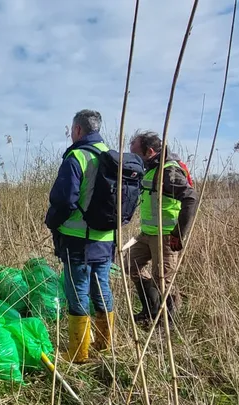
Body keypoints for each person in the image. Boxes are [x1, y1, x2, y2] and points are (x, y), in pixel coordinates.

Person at [45, 109, 114, 363]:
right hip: (106, 240)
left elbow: (65, 201)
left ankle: (78, 353)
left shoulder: (77, 156)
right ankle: (104, 345)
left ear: (77, 130)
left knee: (78, 292)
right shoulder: (111, 156)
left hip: (78, 241)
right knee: (102, 289)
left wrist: (51, 222)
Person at [128, 131, 199, 324]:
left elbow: (191, 199)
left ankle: (167, 323)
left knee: (162, 280)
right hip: (147, 234)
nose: (133, 157)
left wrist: (178, 233)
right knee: (131, 266)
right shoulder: (151, 168)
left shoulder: (168, 171)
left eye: (135, 152)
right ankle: (150, 310)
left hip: (166, 236)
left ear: (149, 151)